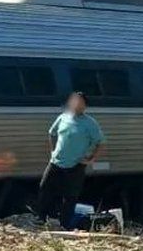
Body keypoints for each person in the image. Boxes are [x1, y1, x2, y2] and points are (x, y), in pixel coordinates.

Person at [35, 92, 105, 230]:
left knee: (70, 196)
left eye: (79, 102)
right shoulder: (62, 117)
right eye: (74, 101)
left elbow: (100, 142)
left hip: (76, 165)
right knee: (45, 188)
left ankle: (65, 224)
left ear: (85, 105)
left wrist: (92, 159)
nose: (76, 104)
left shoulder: (90, 123)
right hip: (56, 162)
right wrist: (52, 151)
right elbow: (52, 133)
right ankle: (41, 218)